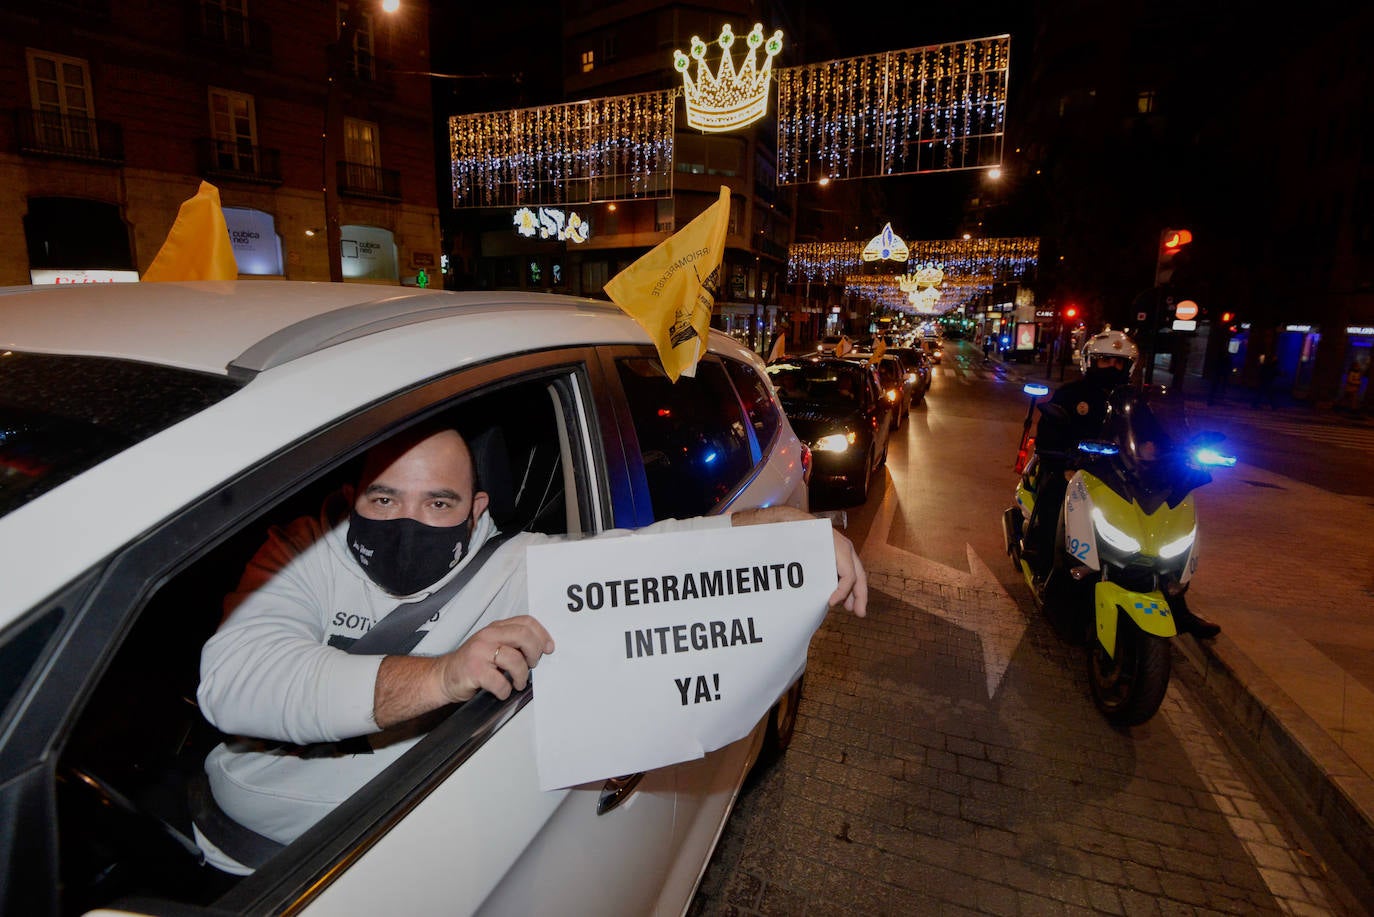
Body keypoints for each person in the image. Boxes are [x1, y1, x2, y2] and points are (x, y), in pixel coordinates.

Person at [193, 422, 868, 874]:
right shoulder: (299, 550)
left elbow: (649, 558)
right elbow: (234, 678)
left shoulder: (511, 568)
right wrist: (442, 675)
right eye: (384, 497)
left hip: (380, 874)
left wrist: (777, 534)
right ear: (353, 496)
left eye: (438, 503)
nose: (407, 519)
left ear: (477, 509)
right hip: (237, 857)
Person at [1024, 329, 1219, 639]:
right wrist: (1062, 461)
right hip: (1076, 473)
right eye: (1105, 361)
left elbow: (1159, 437)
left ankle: (1176, 602)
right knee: (1054, 504)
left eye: (1119, 363)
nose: (1112, 368)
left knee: (1163, 525)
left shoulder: (1138, 402)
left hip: (1123, 477)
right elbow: (1050, 433)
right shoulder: (1071, 395)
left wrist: (1179, 454)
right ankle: (1049, 573)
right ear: (1091, 362)